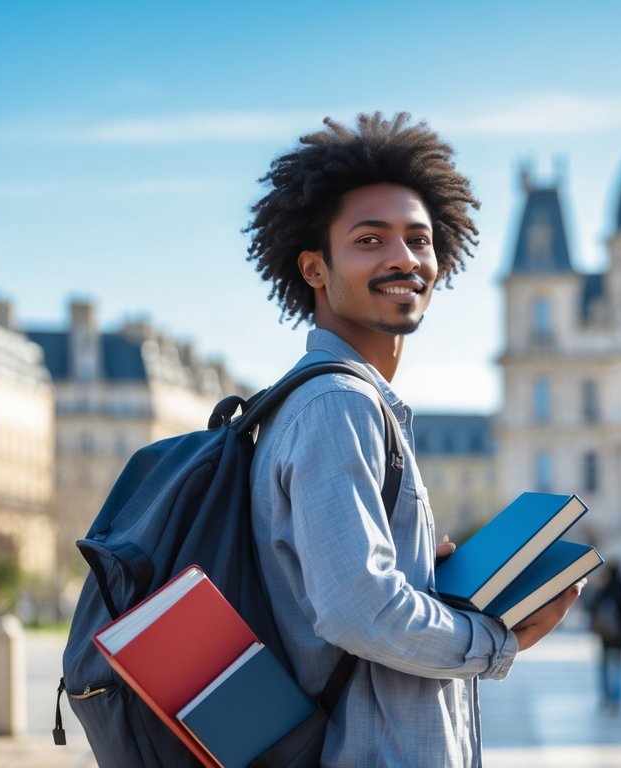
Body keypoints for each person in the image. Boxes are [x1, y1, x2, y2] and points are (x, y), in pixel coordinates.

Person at [245, 112, 582, 767]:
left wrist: (425, 578)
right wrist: (494, 640)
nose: (402, 257)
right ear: (314, 268)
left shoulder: (340, 401)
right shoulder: (337, 403)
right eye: (369, 240)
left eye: (417, 239)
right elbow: (357, 609)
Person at [589, 560, 621, 714]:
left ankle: (605, 696)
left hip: (605, 635)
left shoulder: (604, 590)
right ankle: (617, 699)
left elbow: (593, 609)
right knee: (618, 667)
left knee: (604, 666)